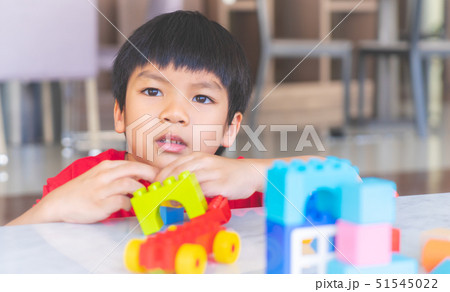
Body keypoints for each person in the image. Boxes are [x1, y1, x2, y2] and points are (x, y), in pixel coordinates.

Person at [7, 11, 317, 226]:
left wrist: (255, 175)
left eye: (201, 98)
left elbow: (349, 183)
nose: (174, 113)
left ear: (230, 129)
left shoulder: (239, 186)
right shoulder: (88, 180)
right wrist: (52, 210)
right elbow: (11, 251)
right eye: (153, 91)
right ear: (120, 114)